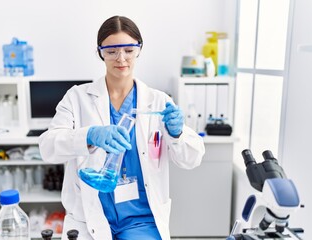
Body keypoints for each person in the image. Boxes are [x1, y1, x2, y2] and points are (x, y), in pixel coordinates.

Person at [39, 15, 205, 240]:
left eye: (129, 50)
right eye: (111, 51)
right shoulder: (77, 97)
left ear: (139, 50)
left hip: (140, 219)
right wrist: (89, 135)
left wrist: (177, 133)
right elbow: (47, 147)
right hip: (89, 216)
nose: (121, 58)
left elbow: (191, 158)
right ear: (100, 52)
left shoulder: (158, 101)